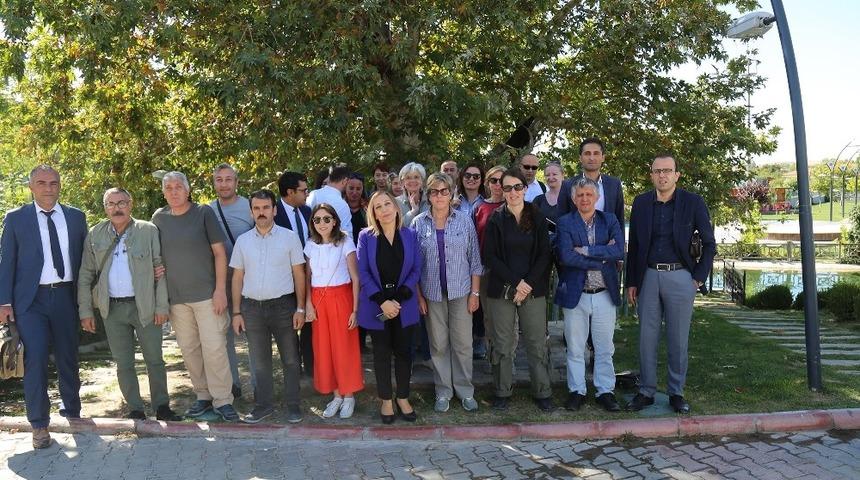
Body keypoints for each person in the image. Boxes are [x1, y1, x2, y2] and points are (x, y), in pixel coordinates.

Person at [0, 165, 87, 448]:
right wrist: (4, 302)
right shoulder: (16, 219)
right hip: (30, 302)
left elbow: (87, 261)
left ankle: (73, 413)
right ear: (31, 187)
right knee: (35, 359)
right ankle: (39, 425)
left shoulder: (76, 217)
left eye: (53, 183)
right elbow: (7, 262)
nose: (48, 188)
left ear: (60, 185)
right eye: (42, 182)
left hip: (66, 297)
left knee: (68, 357)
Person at [78, 188, 181, 422]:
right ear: (105, 208)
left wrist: (161, 307)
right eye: (111, 204)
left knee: (154, 359)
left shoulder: (148, 230)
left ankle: (162, 406)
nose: (117, 208)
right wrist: (85, 311)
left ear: (130, 204)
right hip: (112, 310)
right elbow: (85, 275)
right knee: (123, 363)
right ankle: (135, 409)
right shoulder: (95, 235)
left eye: (122, 202)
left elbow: (160, 270)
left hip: (144, 306)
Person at [625, 154, 716, 414]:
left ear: (677, 175)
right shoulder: (641, 203)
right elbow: (635, 247)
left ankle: (676, 392)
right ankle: (646, 392)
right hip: (649, 276)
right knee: (646, 338)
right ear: (651, 174)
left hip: (681, 277)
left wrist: (697, 277)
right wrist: (632, 282)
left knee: (678, 338)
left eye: (667, 171)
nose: (662, 175)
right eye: (657, 171)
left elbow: (709, 244)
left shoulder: (693, 202)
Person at [151, 171, 239, 421]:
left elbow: (220, 254)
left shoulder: (203, 213)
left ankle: (223, 400)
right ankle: (203, 397)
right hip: (176, 298)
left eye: (179, 186)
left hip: (207, 295)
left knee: (214, 349)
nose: (174, 191)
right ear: (164, 192)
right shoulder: (159, 218)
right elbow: (155, 253)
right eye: (168, 187)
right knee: (189, 350)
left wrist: (221, 290)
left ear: (188, 190)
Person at [230, 189, 307, 424]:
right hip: (252, 309)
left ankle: (293, 405)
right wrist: (236, 312)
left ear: (274, 210)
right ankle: (263, 406)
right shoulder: (243, 241)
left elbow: (299, 275)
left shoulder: (289, 237)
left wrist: (301, 308)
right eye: (257, 208)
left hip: (284, 306)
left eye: (266, 208)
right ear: (251, 211)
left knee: (291, 359)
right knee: (260, 362)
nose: (261, 212)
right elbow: (237, 278)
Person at [483, 168, 553, 412]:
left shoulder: (537, 216)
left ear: (525, 188)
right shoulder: (495, 219)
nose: (512, 192)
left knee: (535, 342)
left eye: (517, 187)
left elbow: (545, 254)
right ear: (501, 191)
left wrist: (528, 283)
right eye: (507, 188)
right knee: (502, 344)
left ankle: (542, 391)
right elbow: (490, 256)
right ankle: (502, 391)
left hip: (533, 289)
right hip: (502, 289)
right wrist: (517, 283)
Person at [413, 173, 482, 413]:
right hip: (431, 294)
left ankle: (465, 391)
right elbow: (414, 266)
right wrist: (419, 296)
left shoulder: (464, 221)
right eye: (434, 191)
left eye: (444, 191)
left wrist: (475, 293)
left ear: (451, 193)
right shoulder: (418, 223)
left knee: (463, 343)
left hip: (461, 291)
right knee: (438, 344)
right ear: (428, 195)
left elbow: (475, 260)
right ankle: (443, 392)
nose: (439, 196)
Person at [554, 178, 625, 412]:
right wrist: (602, 256)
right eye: (580, 195)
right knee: (575, 347)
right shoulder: (565, 222)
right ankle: (577, 391)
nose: (584, 199)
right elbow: (566, 256)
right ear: (574, 199)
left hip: (605, 293)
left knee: (605, 347)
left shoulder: (610, 220)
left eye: (589, 195)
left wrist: (585, 250)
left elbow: (618, 251)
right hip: (576, 293)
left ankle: (605, 391)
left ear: (596, 198)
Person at [357, 191, 422, 424]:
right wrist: (383, 301)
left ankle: (403, 397)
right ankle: (386, 399)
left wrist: (400, 297)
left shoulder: (410, 235)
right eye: (378, 207)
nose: (383, 209)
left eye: (387, 204)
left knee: (404, 353)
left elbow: (416, 268)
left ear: (396, 207)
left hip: (404, 304)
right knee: (382, 354)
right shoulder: (366, 237)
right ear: (372, 213)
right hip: (378, 305)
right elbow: (363, 271)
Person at [304, 204, 364, 419]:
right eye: (317, 220)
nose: (322, 224)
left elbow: (356, 277)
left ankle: (349, 395)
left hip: (342, 298)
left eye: (326, 219)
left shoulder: (345, 241)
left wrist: (355, 310)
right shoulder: (310, 244)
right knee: (324, 349)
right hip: (319, 300)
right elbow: (307, 278)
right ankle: (336, 395)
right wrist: (308, 304)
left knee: (343, 348)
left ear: (335, 221)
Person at [209, 163, 256, 399]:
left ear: (237, 182)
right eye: (219, 179)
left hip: (250, 278)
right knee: (223, 333)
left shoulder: (250, 206)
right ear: (214, 183)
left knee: (254, 334)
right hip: (221, 279)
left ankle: (259, 386)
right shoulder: (207, 210)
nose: (224, 184)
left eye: (229, 179)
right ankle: (232, 386)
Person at [276, 171, 313, 376]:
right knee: (288, 330)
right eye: (303, 190)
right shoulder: (273, 213)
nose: (307, 194)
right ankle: (292, 370)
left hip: (308, 279)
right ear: (290, 192)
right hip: (284, 281)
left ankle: (310, 367)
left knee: (309, 325)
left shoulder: (307, 212)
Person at [471, 165, 506, 359]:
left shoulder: (515, 205)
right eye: (494, 180)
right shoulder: (480, 208)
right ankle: (494, 358)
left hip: (509, 269)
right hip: (485, 269)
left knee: (508, 318)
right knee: (488, 316)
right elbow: (473, 239)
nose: (498, 185)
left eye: (502, 181)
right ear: (488, 183)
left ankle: (506, 358)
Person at [558, 138, 625, 225]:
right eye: (587, 154)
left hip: (607, 238)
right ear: (580, 158)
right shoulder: (567, 185)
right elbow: (561, 221)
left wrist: (619, 239)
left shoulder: (614, 185)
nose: (592, 158)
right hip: (575, 238)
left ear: (603, 157)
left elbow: (619, 220)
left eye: (596, 153)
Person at [307, 164, 353, 239]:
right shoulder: (342, 205)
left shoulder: (313, 195)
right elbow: (347, 236)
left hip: (312, 244)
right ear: (345, 181)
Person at [532, 162, 565, 229]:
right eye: (547, 175)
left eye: (554, 174)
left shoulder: (571, 198)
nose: (550, 177)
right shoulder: (538, 200)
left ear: (562, 175)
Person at [397, 162, 429, 226]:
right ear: (402, 182)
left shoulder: (430, 200)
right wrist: (412, 212)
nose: (412, 181)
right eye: (408, 178)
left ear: (422, 180)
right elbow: (396, 226)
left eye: (416, 177)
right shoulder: (396, 202)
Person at [346, 173, 368, 246]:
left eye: (358, 189)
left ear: (362, 189)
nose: (354, 192)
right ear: (345, 187)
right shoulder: (340, 207)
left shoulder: (368, 208)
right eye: (351, 188)